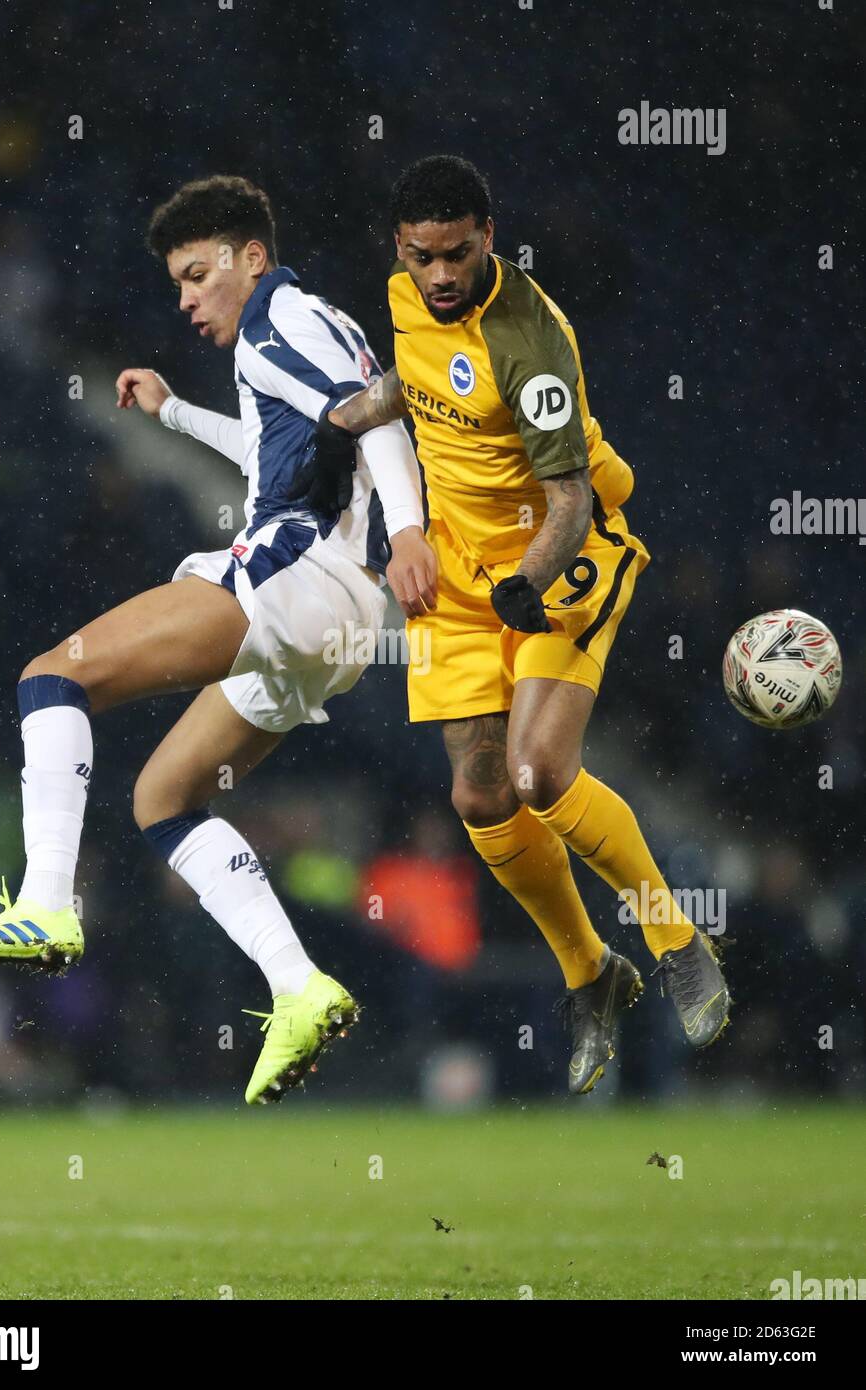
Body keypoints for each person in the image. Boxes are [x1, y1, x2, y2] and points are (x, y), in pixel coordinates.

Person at [0, 174, 434, 1106]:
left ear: (251, 257)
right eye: (178, 285)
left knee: (50, 679)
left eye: (199, 275)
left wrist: (408, 531)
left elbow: (380, 409)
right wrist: (172, 415)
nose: (189, 300)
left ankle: (44, 905)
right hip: (341, 620)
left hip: (298, 571)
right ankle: (299, 985)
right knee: (163, 798)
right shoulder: (284, 335)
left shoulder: (288, 317)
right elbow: (288, 446)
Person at [326, 156, 729, 1094]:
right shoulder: (401, 295)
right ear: (401, 248)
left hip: (558, 557)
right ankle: (591, 973)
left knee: (540, 772)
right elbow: (419, 383)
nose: (439, 275)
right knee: (478, 796)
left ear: (489, 239)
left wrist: (525, 585)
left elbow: (571, 500)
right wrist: (351, 413)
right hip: (461, 575)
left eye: (457, 254)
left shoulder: (530, 341)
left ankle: (677, 941)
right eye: (422, 256)